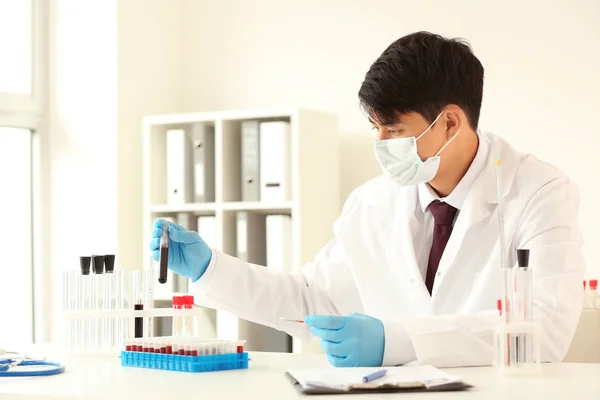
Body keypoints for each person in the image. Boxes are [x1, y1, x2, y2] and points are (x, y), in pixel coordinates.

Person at [149, 31, 584, 368]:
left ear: (450, 122)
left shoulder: (539, 192)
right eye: (375, 128)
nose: (380, 143)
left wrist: (397, 341)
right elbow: (311, 300)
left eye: (393, 130)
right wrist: (212, 269)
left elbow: (545, 328)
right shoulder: (372, 202)